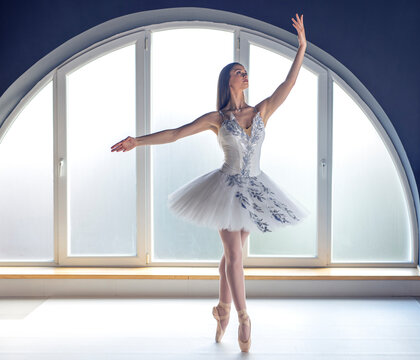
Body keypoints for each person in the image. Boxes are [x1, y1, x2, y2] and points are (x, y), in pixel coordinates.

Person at [111, 13, 308, 352]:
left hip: (256, 190)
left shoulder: (261, 111)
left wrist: (302, 46)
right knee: (234, 254)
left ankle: (222, 309)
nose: (245, 74)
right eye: (238, 71)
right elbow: (175, 133)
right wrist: (137, 141)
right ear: (228, 80)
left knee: (231, 256)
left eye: (246, 71)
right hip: (226, 189)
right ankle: (244, 318)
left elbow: (287, 86)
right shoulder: (217, 119)